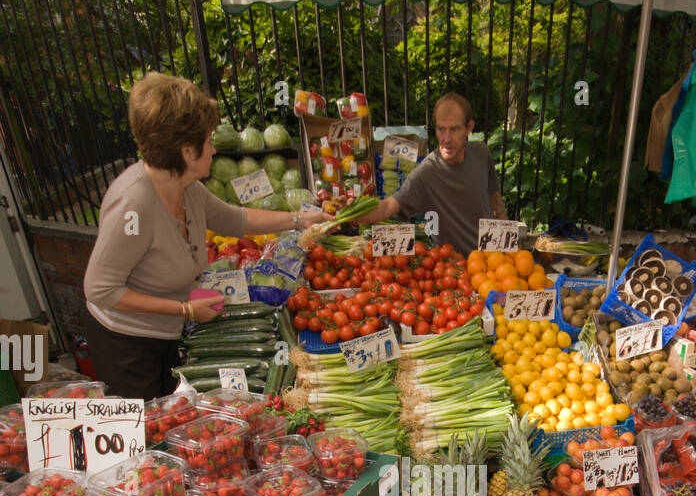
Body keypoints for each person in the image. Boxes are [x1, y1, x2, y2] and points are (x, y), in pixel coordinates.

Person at [84, 72, 329, 399]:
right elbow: (100, 289)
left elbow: (236, 219)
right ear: (187, 151)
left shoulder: (187, 189)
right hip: (126, 345)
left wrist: (300, 219)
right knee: (147, 429)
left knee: (173, 409)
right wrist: (185, 310)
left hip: (165, 335)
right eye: (208, 141)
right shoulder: (133, 205)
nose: (214, 150)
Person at [363, 93, 506, 257]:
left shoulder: (482, 153)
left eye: (454, 129)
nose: (446, 138)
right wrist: (349, 213)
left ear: (469, 128)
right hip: (455, 269)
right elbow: (388, 206)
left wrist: (506, 249)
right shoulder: (427, 172)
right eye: (441, 129)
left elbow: (496, 200)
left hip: (492, 263)